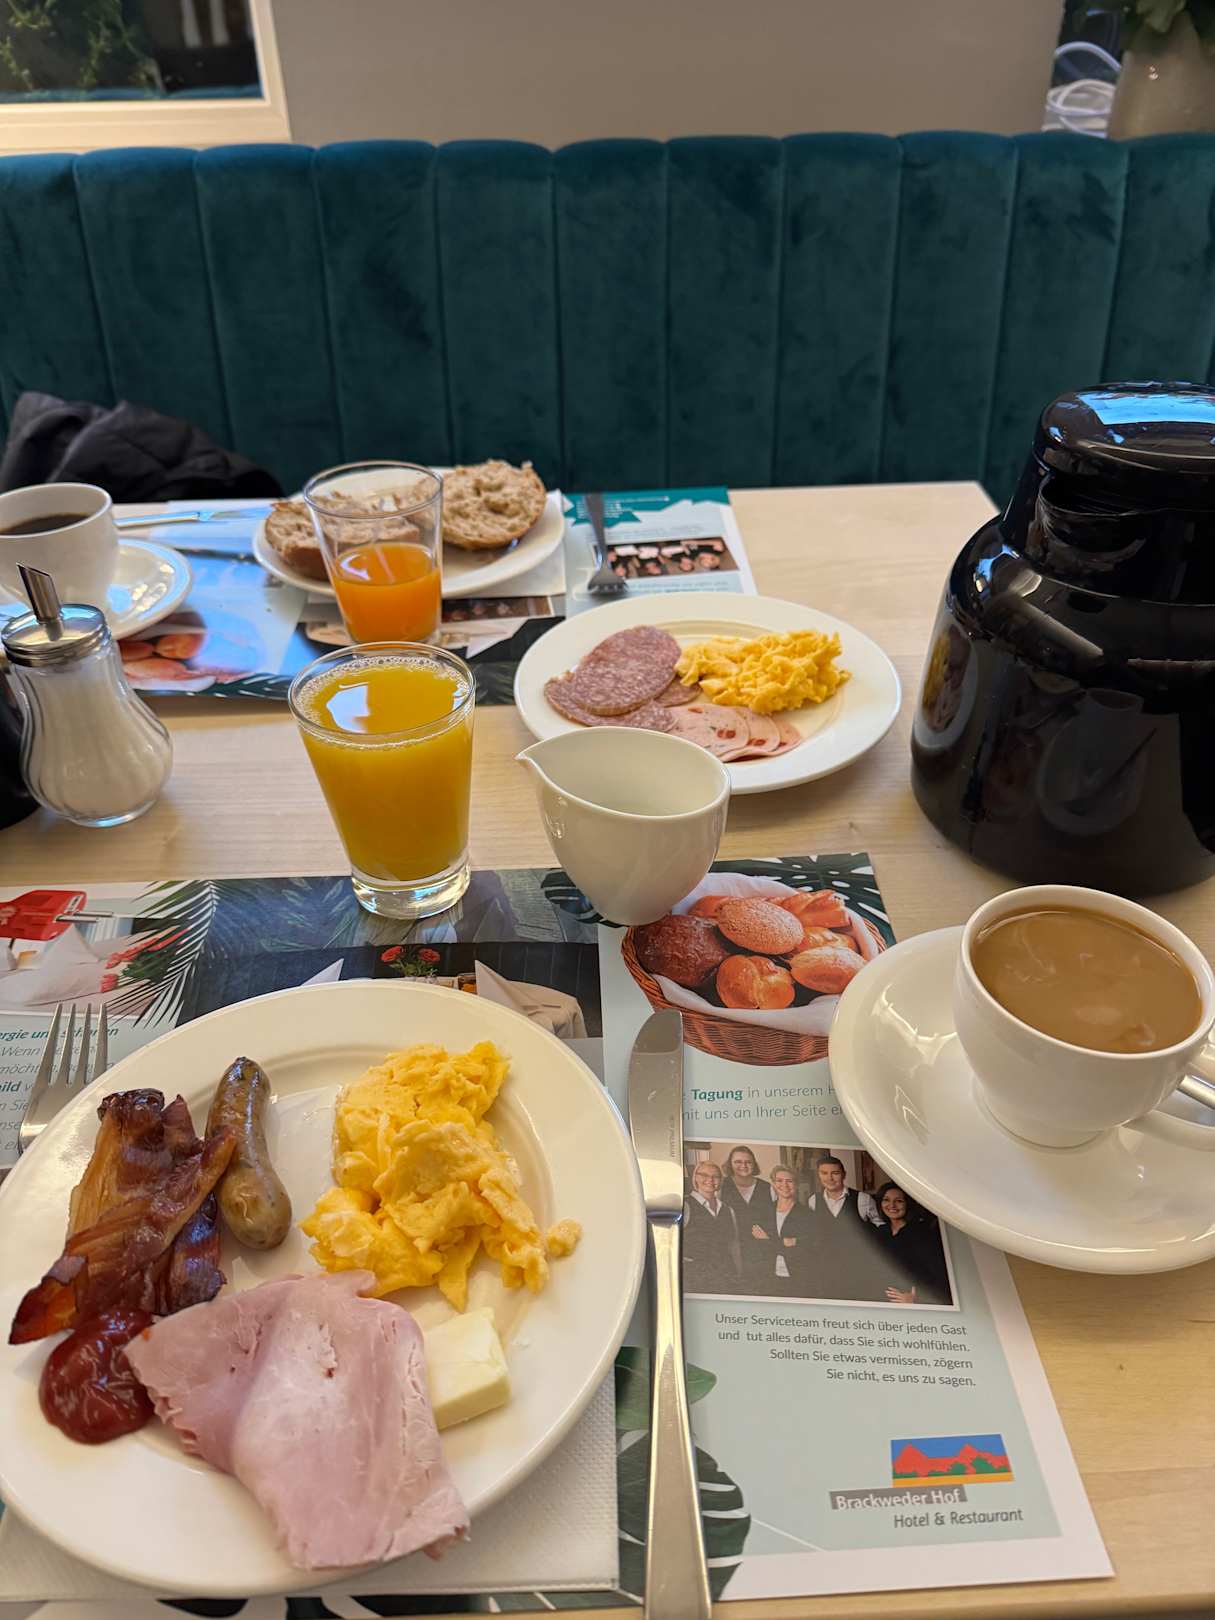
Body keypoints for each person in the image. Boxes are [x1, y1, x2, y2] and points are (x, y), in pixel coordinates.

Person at [805, 1154, 884, 1300]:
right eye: (824, 1173)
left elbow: (882, 1230)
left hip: (858, 1273)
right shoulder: (813, 1200)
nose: (830, 1178)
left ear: (844, 1174)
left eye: (835, 1173)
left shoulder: (862, 1199)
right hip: (825, 1273)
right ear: (819, 1175)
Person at [871, 1182, 951, 1305]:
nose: (892, 1205)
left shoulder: (922, 1233)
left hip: (908, 1302)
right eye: (886, 1200)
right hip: (880, 1300)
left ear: (908, 1203)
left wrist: (916, 1298)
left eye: (899, 1201)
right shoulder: (880, 1232)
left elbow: (938, 1274)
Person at [747, 1165, 813, 1296]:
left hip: (798, 1278)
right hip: (768, 1278)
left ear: (796, 1184)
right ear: (773, 1183)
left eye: (789, 1181)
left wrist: (767, 1240)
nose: (784, 1185)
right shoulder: (762, 1213)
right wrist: (787, 1243)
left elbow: (806, 1249)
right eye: (779, 1181)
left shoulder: (806, 1214)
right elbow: (758, 1249)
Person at [682, 1161, 742, 1294]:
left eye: (715, 1176)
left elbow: (733, 1245)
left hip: (725, 1277)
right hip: (694, 1279)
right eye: (704, 1175)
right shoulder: (685, 1206)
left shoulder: (728, 1210)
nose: (710, 1180)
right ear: (695, 1178)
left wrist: (738, 1273)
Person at [721, 1146, 774, 1287]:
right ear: (730, 1164)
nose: (743, 1165)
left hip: (762, 1251)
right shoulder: (721, 1186)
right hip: (732, 1250)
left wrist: (768, 1237)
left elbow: (776, 1218)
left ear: (754, 1164)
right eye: (738, 1162)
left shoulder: (767, 1187)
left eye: (748, 1162)